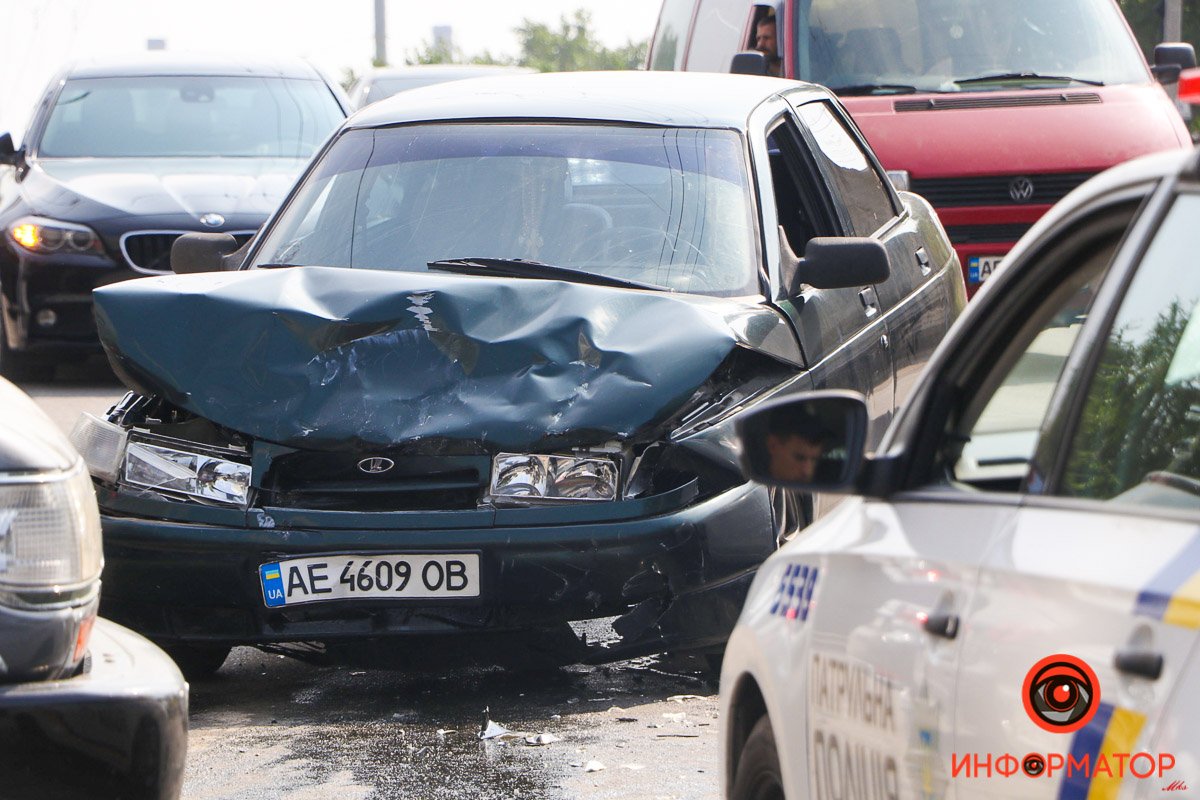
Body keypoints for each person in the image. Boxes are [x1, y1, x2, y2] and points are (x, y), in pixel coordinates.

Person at [764, 409, 833, 483]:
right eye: (799, 458)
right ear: (773, 446)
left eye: (814, 460)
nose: (807, 472)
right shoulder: (757, 488)